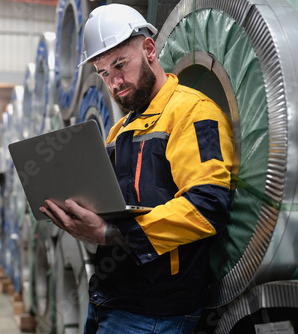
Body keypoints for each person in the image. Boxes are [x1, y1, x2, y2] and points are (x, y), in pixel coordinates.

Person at [39, 3, 234, 334]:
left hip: (157, 313)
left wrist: (111, 234)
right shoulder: (118, 132)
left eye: (120, 65)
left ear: (148, 49)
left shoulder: (192, 112)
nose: (114, 82)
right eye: (104, 73)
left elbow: (208, 206)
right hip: (109, 301)